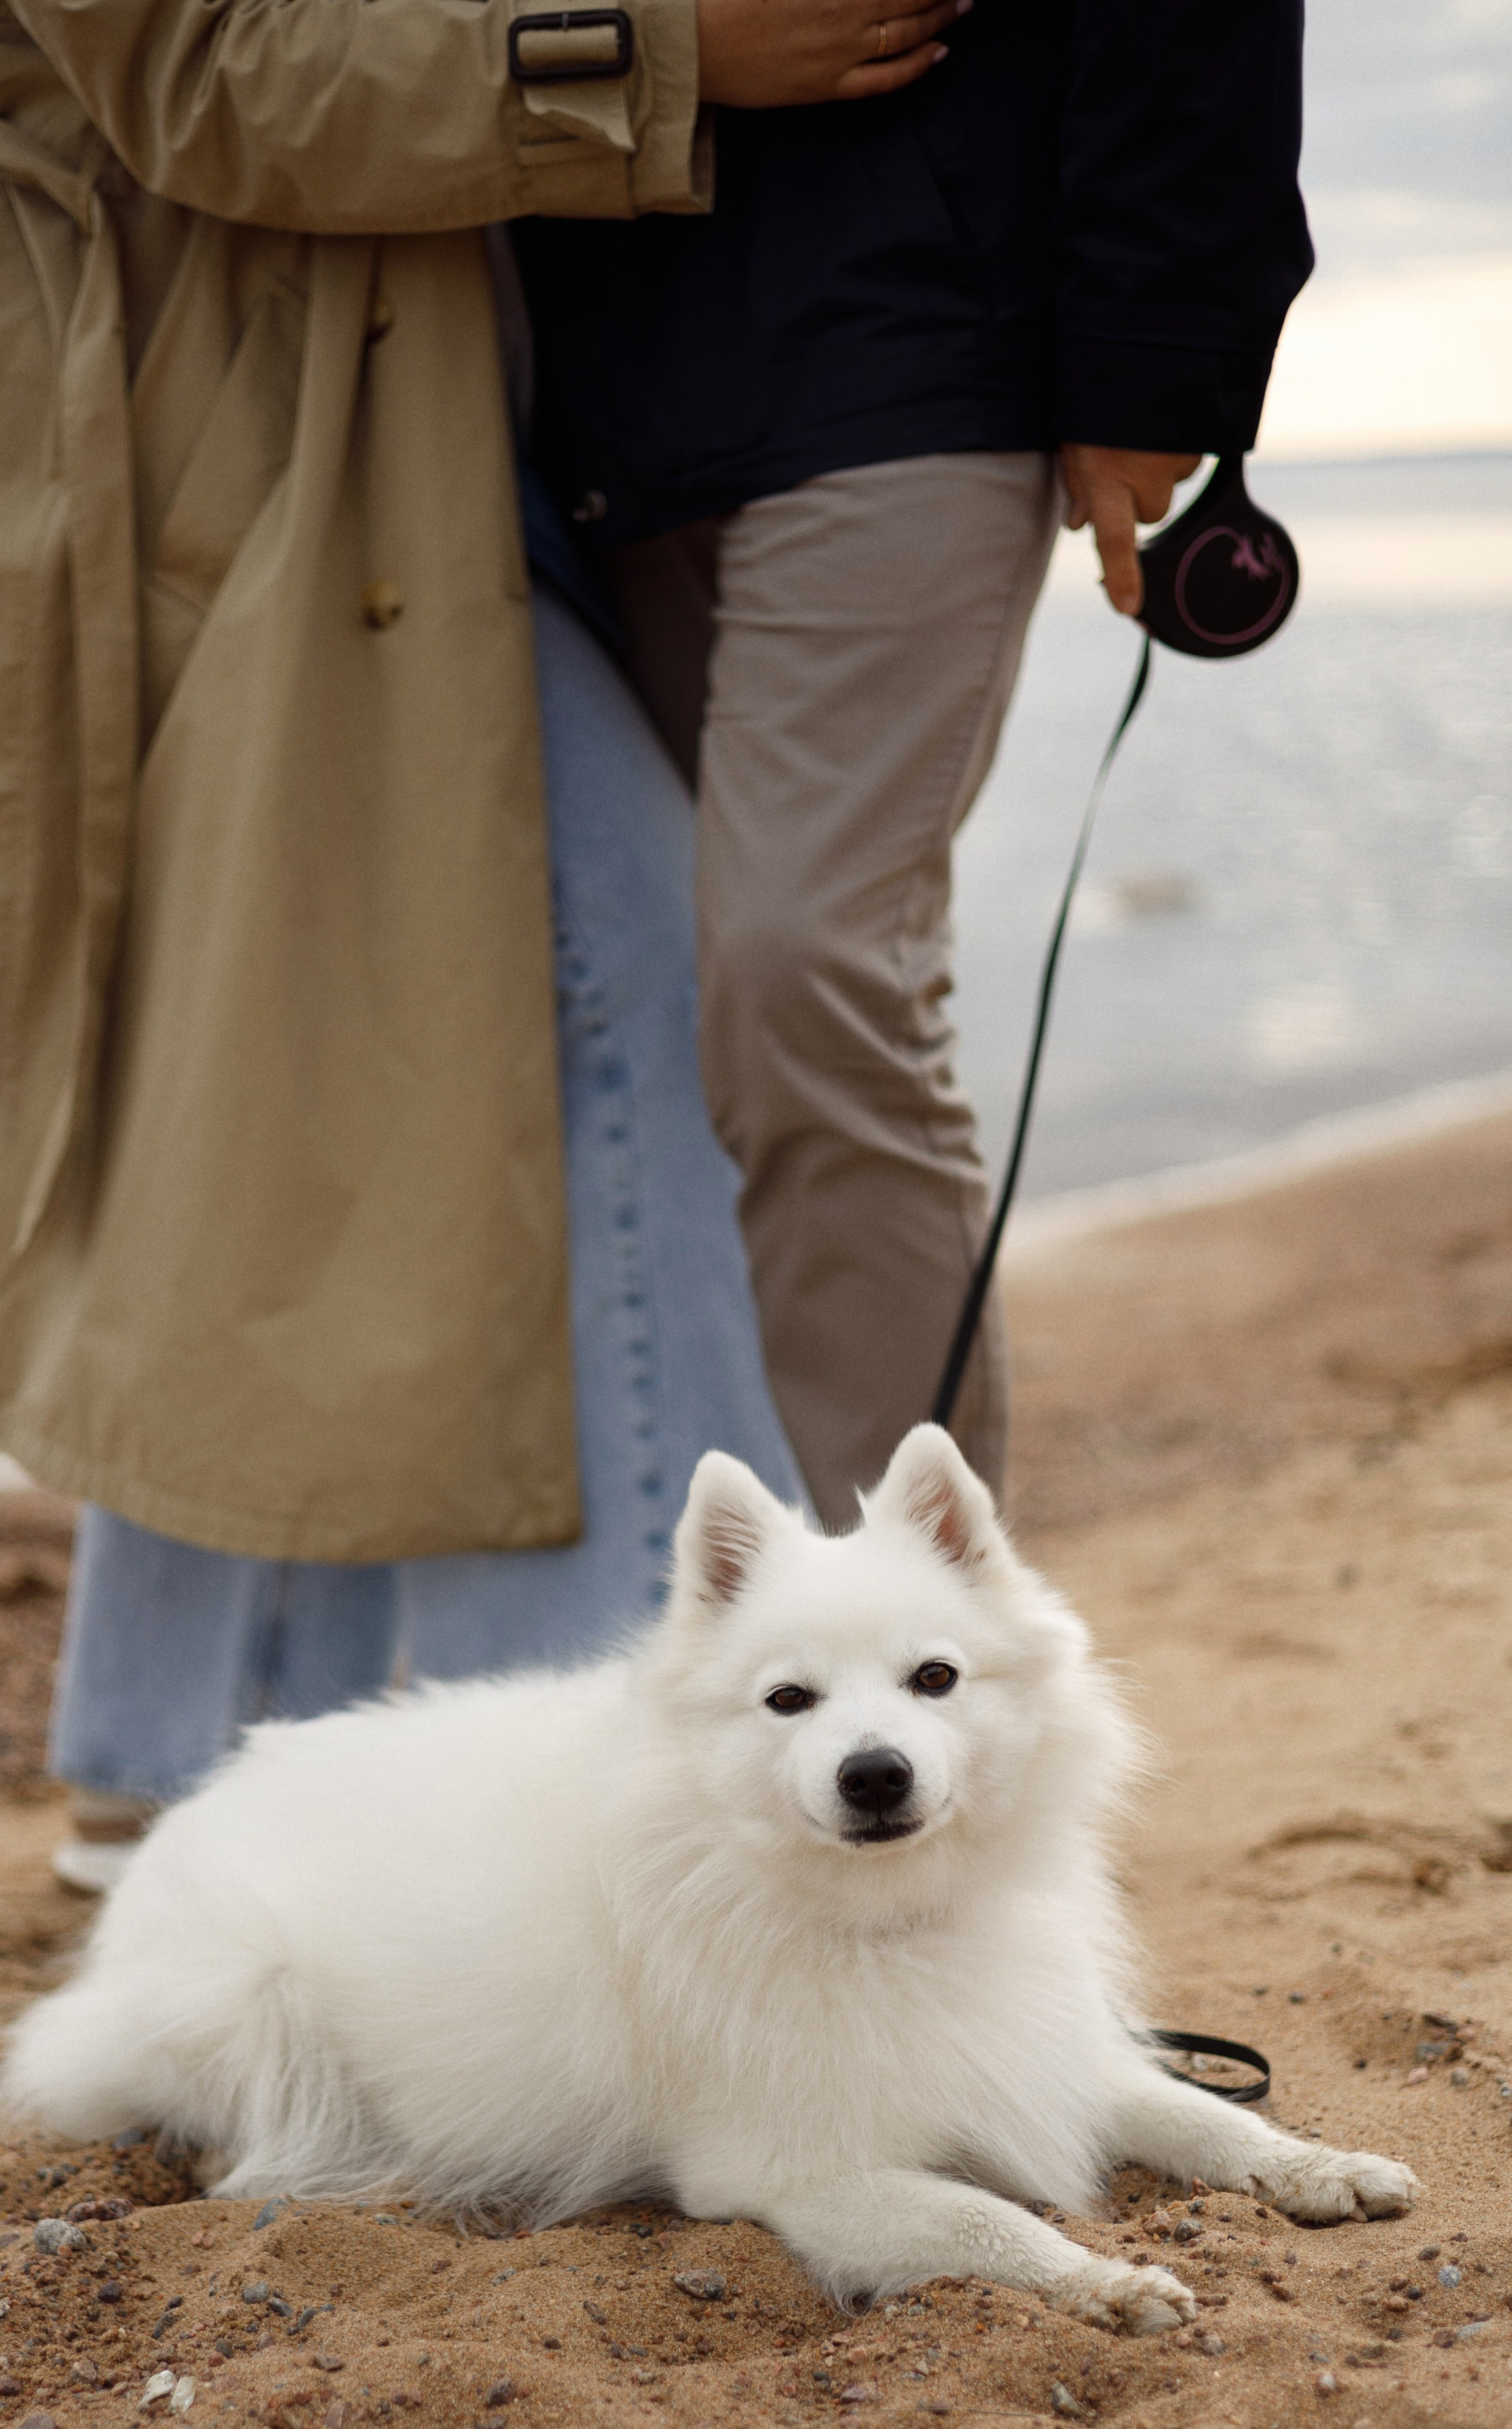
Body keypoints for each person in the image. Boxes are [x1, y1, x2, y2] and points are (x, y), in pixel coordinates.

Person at [0, 0, 968, 1885]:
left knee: (280, 1069)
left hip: (416, 395)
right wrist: (665, 55)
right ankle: (594, 1775)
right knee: (618, 1008)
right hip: (211, 405)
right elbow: (212, 70)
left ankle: (182, 1758)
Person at [513, 0, 1313, 1528]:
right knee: (641, 1016)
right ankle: (699, 1626)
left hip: (917, 342)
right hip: (579, 386)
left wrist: (1153, 350)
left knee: (808, 966)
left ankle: (895, 1640)